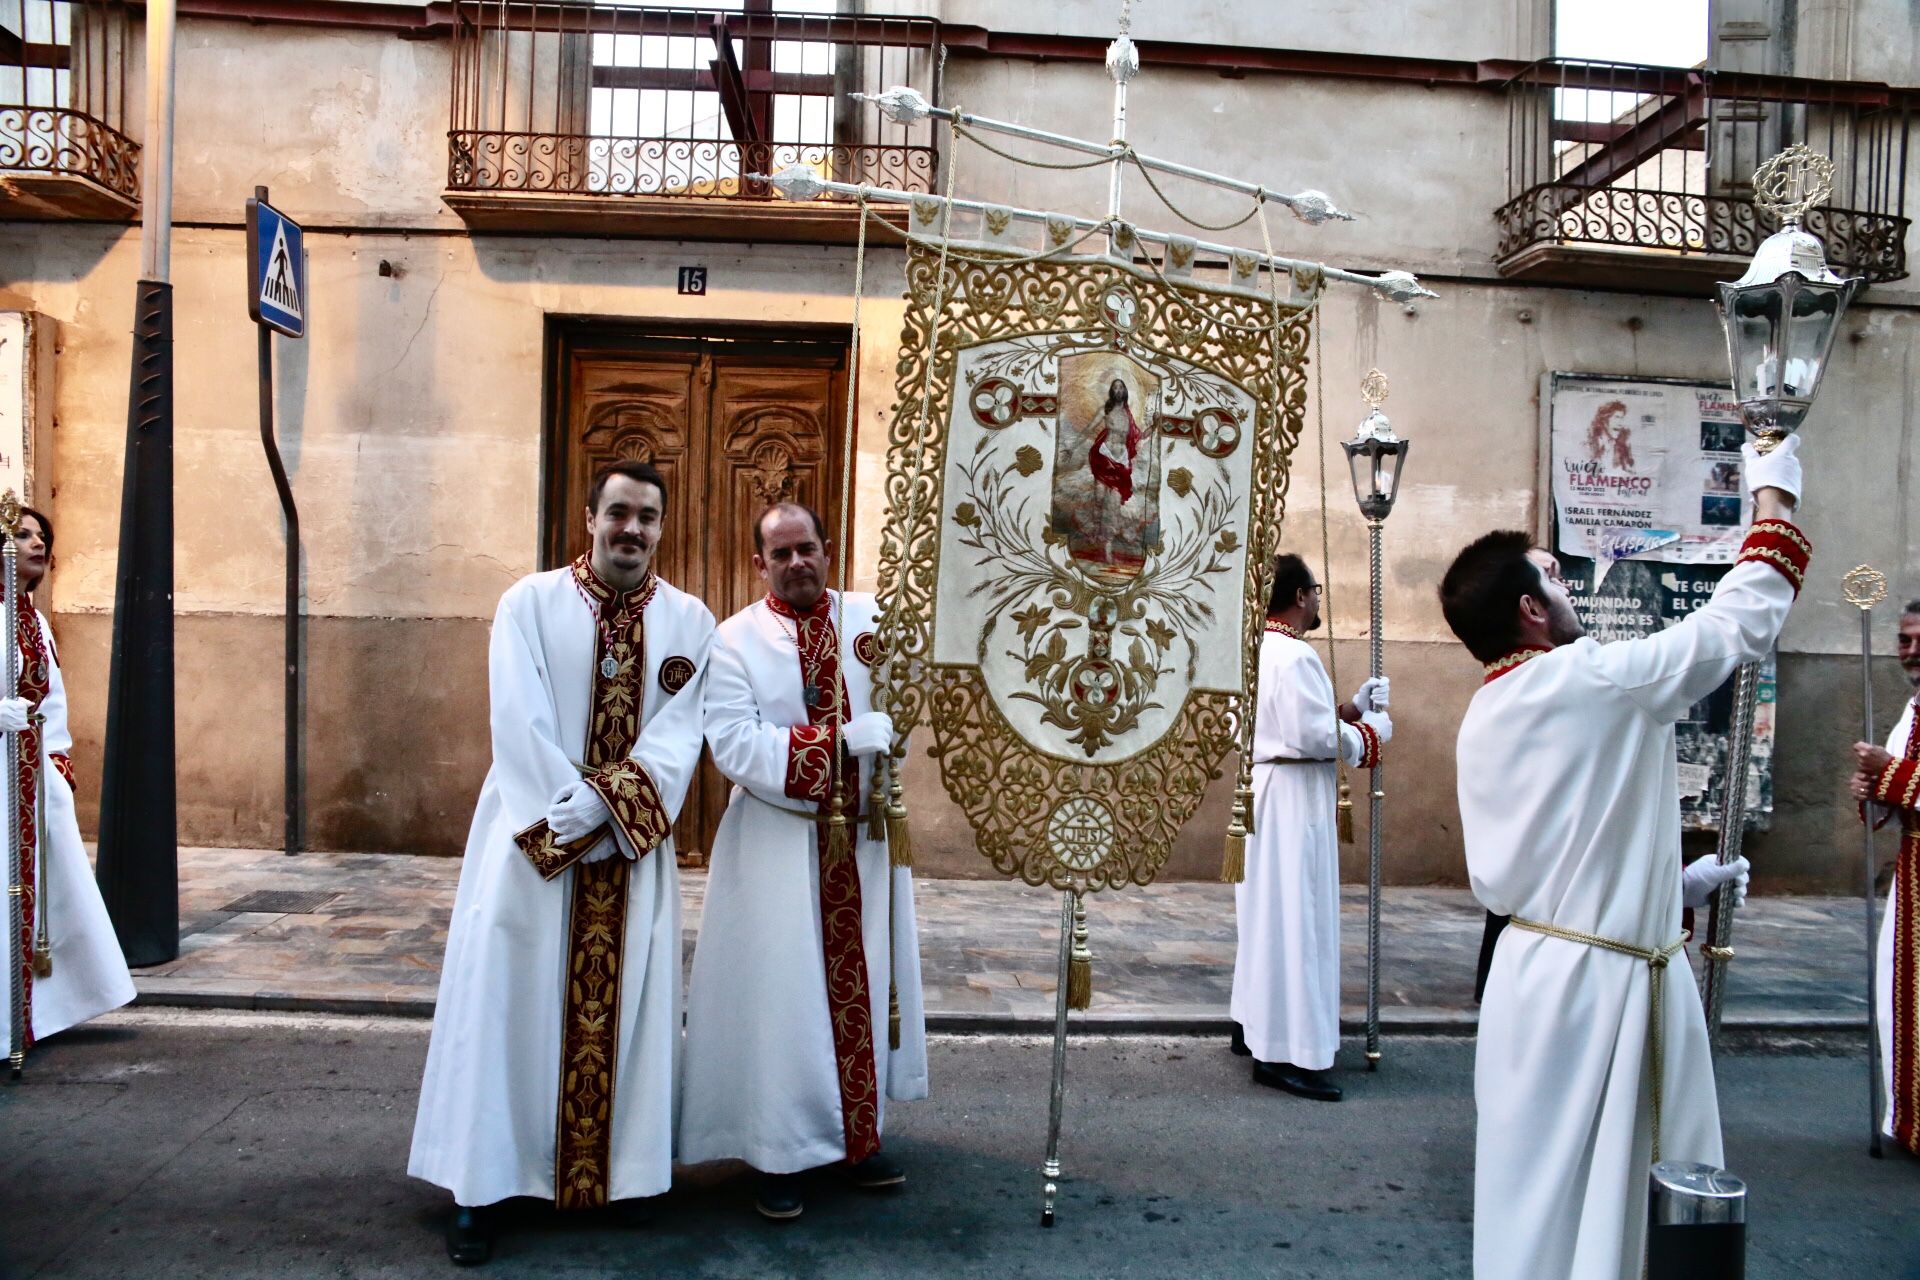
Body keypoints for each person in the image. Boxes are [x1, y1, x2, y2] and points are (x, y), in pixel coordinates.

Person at [1439, 436, 1805, 1280]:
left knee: (1537, 1204)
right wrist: (1774, 502)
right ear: (1531, 610)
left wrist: (1671, 886)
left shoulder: (1491, 708)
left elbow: (1556, 864)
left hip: (1537, 975)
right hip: (1597, 992)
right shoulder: (1585, 681)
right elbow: (1736, 627)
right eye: (1555, 579)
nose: (1569, 593)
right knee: (1609, 1205)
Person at [408, 462, 714, 1265]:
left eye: (647, 517)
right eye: (618, 512)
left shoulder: (690, 622)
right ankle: (483, 1186)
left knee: (631, 1010)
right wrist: (571, 814)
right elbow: (518, 718)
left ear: (661, 527)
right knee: (506, 1003)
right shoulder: (528, 604)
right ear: (588, 517)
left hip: (627, 853)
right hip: (528, 841)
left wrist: (613, 810)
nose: (632, 529)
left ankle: (618, 1177)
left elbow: (680, 736)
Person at [679, 501, 928, 1221]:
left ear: (828, 548)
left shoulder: (872, 619)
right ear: (760, 563)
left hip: (864, 846)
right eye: (780, 553)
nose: (797, 563)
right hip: (779, 844)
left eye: (807, 549)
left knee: (865, 983)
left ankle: (858, 1138)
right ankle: (777, 1150)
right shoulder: (732, 641)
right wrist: (840, 742)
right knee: (781, 1006)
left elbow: (908, 701)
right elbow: (733, 745)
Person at [1228, 553, 1389, 1101]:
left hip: (1266, 793)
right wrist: (1372, 732)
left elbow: (1291, 721)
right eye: (1315, 590)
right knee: (1296, 921)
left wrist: (1346, 709)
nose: (1319, 599)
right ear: (1299, 596)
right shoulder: (1294, 655)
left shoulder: (1253, 651)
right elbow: (1312, 737)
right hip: (1294, 802)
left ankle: (1253, 1025)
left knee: (1266, 918)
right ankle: (1284, 1052)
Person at [0, 507, 135, 1063]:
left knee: (48, 895)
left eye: (42, 536)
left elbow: (51, 699)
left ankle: (43, 1010)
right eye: (22, 534)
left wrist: (55, 760)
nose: (36, 543)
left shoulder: (31, 619)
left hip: (30, 778)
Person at [1849, 597, 1920, 1155]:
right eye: (1904, 641)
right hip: (1913, 872)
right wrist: (1870, 791)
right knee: (1898, 990)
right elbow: (1887, 806)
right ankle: (1908, 1117)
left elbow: (1902, 779)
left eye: (1919, 641)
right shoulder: (1911, 713)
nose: (1911, 652)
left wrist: (1891, 775)